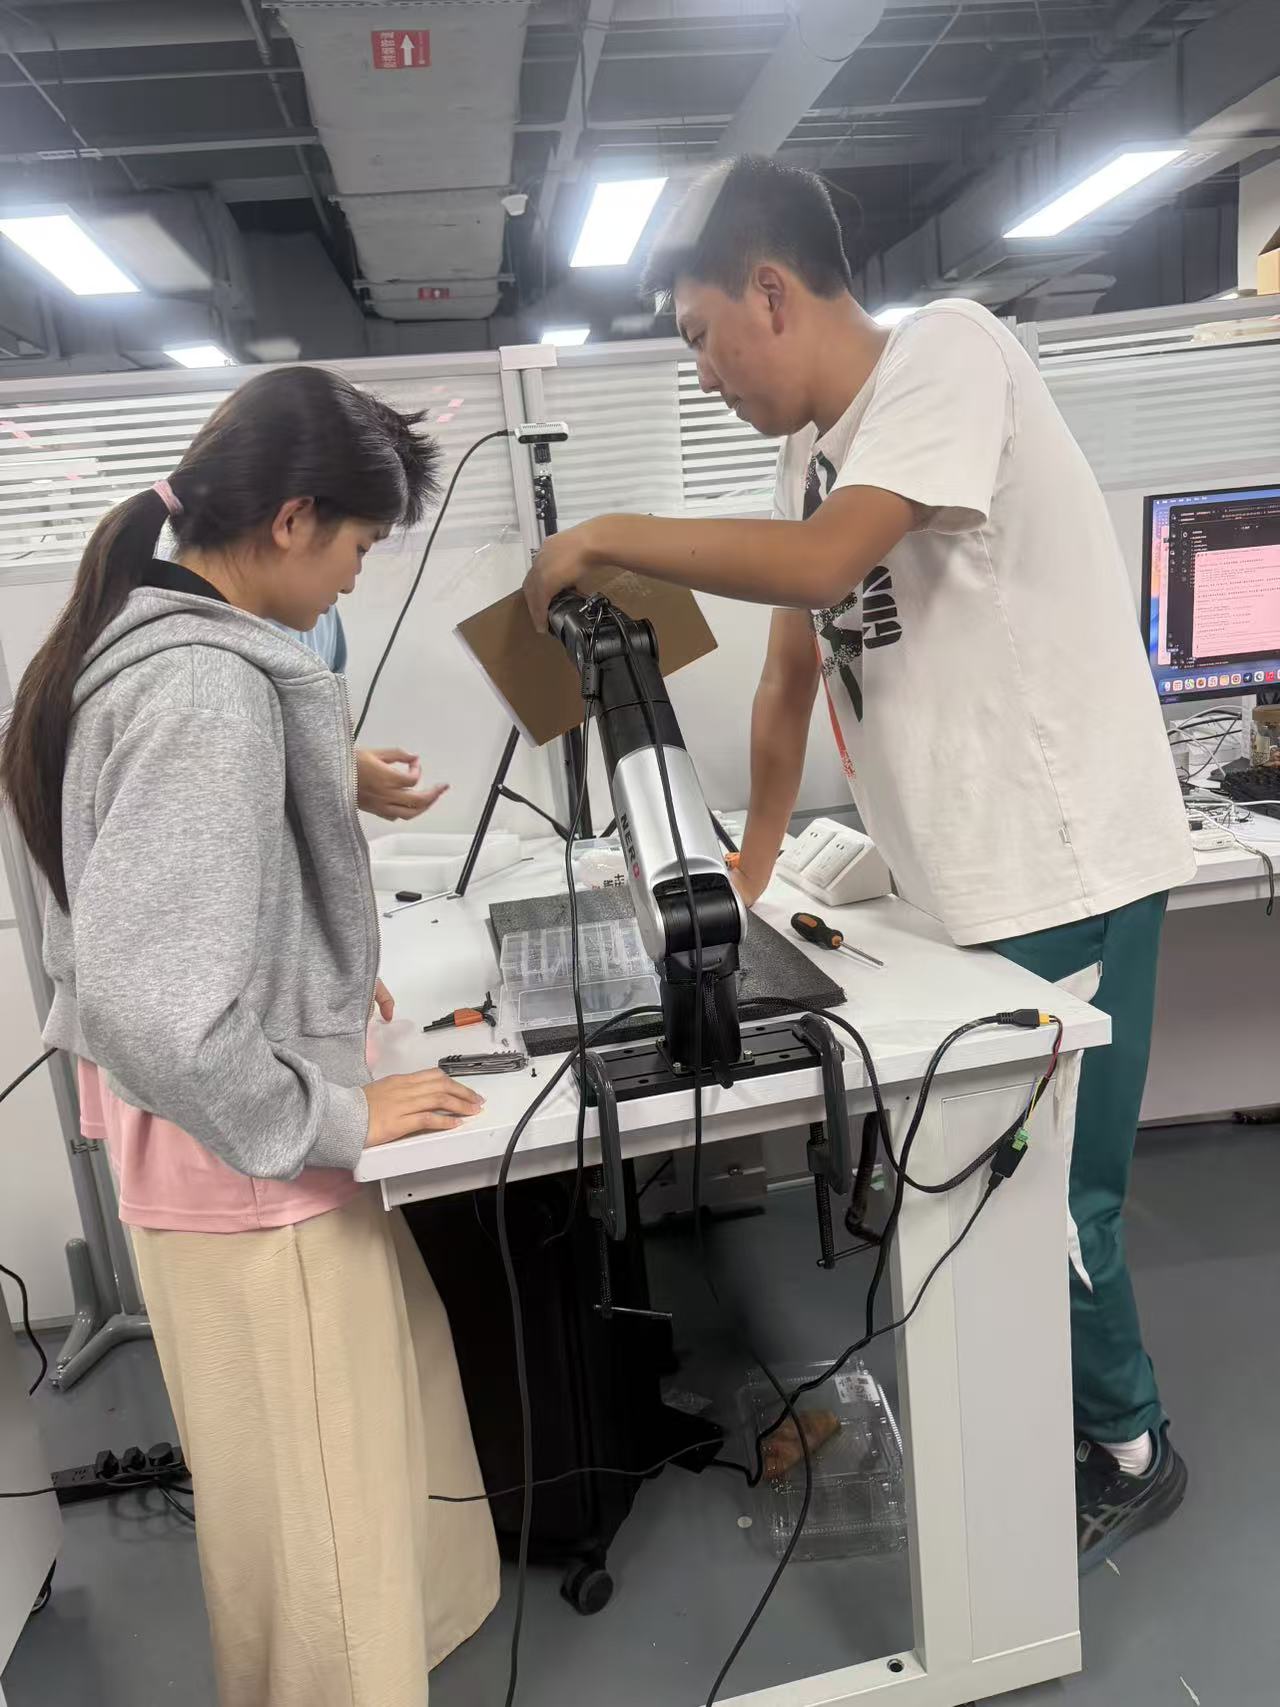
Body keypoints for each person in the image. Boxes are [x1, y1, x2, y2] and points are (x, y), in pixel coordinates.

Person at [523, 155, 1196, 1572]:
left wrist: (600, 538)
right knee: (965, 1172)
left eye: (701, 333)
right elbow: (785, 679)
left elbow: (825, 568)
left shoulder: (952, 352)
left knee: (1049, 1190)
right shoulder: (810, 454)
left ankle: (1131, 1444)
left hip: (1059, 857)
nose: (702, 369)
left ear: (771, 292)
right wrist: (751, 876)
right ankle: (1017, 1404)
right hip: (957, 872)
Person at [0, 366, 499, 1707]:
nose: (354, 579)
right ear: (291, 519)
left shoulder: (131, 644)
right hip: (253, 1169)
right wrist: (335, 1113)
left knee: (373, 1458)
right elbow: (148, 997)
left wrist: (331, 791)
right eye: (355, 545)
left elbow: (141, 882)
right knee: (328, 1543)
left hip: (214, 1153)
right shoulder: (204, 695)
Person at [278, 603, 450, 823]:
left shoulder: (325, 615)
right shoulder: (229, 651)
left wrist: (350, 773)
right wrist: (340, 773)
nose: (350, 586)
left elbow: (329, 734)